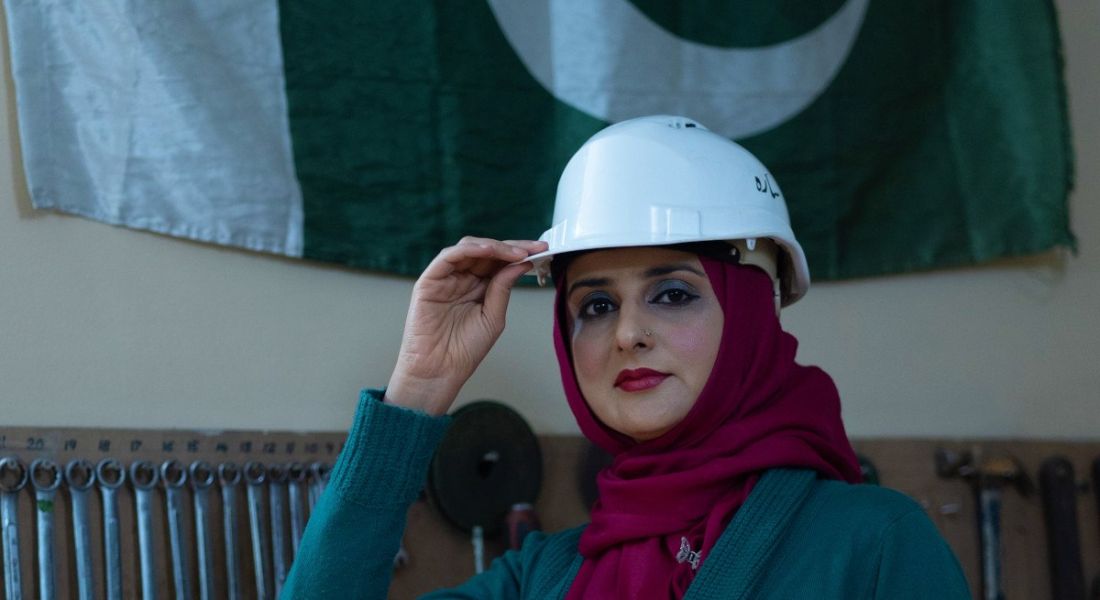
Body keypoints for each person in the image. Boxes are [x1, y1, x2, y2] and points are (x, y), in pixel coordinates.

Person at [283, 116, 971, 599]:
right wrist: (418, 390)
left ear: (754, 316)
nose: (627, 335)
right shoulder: (543, 577)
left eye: (673, 294)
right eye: (596, 306)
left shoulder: (874, 544)